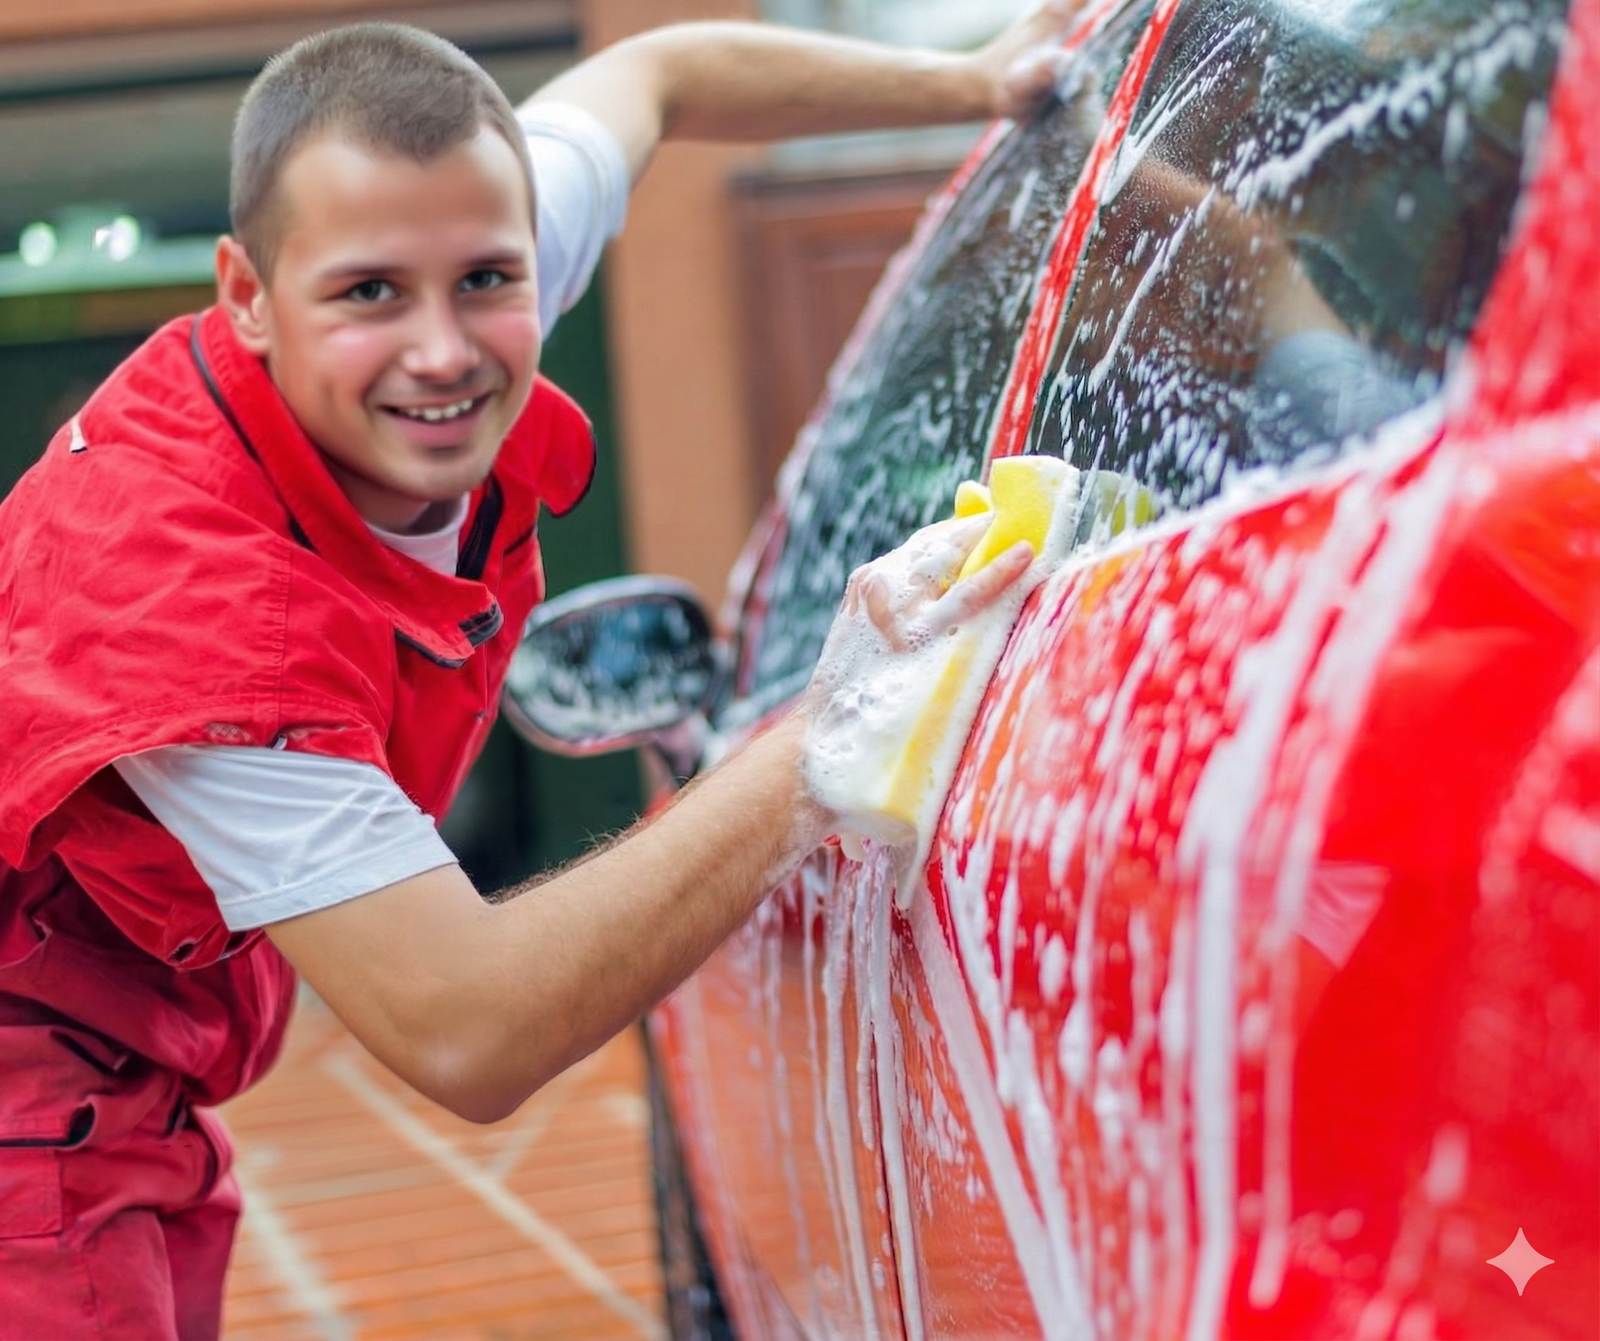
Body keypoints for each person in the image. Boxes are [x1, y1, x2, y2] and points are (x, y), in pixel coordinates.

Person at [0, 6, 1073, 1337]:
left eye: (488, 283)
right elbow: (471, 1029)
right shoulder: (193, 612)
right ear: (246, 296)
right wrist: (827, 737)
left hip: (139, 1090)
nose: (444, 351)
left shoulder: (449, 222)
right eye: (368, 295)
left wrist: (974, 82)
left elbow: (661, 72)